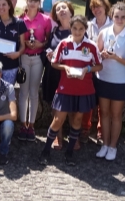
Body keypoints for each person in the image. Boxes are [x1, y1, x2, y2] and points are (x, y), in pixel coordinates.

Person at [39, 15, 102, 166]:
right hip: (65, 88)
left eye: (81, 29)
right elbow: (54, 63)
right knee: (58, 119)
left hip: (83, 89)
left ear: (85, 29)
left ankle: (70, 153)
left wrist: (87, 69)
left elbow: (99, 66)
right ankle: (46, 150)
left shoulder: (91, 46)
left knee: (77, 119)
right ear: (71, 28)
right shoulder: (64, 43)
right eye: (75, 28)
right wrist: (65, 67)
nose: (78, 31)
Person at [95, 3, 125, 161]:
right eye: (116, 16)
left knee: (116, 115)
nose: (119, 19)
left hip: (121, 82)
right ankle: (104, 145)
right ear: (111, 16)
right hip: (103, 78)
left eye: (123, 17)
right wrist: (103, 54)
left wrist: (116, 58)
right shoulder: (104, 32)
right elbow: (96, 55)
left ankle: (113, 146)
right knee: (104, 114)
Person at [18, 0, 53, 142]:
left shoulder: (45, 20)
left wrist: (41, 44)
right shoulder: (20, 19)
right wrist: (24, 43)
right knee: (23, 92)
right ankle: (22, 124)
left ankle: (31, 125)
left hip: (38, 57)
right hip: (24, 57)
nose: (32, 3)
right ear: (26, 2)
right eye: (30, 0)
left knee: (33, 92)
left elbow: (49, 40)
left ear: (39, 3)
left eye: (35, 1)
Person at [41, 0, 75, 150]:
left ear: (70, 11)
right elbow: (48, 47)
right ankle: (57, 136)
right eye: (58, 9)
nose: (61, 10)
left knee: (74, 106)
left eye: (64, 8)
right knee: (56, 106)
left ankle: (74, 137)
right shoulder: (54, 31)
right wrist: (47, 54)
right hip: (54, 73)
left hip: (72, 75)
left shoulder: (78, 29)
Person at [82, 0, 113, 142]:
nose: (96, 10)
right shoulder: (88, 25)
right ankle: (85, 128)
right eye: (94, 7)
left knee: (103, 101)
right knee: (88, 99)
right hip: (91, 68)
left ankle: (101, 130)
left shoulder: (113, 25)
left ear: (105, 7)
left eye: (99, 6)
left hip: (107, 68)